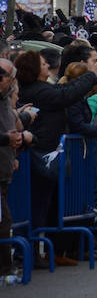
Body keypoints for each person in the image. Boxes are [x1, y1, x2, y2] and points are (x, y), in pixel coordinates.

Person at [17, 49, 97, 266]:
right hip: (39, 154)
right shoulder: (37, 91)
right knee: (37, 205)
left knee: (51, 203)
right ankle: (30, 253)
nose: (48, 66)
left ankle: (52, 250)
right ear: (35, 69)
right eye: (43, 64)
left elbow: (64, 90)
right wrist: (91, 75)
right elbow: (66, 94)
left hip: (49, 153)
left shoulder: (44, 89)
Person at [0, 59, 33, 277]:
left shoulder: (5, 99)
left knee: (4, 219)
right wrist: (7, 139)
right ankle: (5, 269)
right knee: (4, 220)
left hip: (4, 167)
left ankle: (5, 268)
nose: (10, 84)